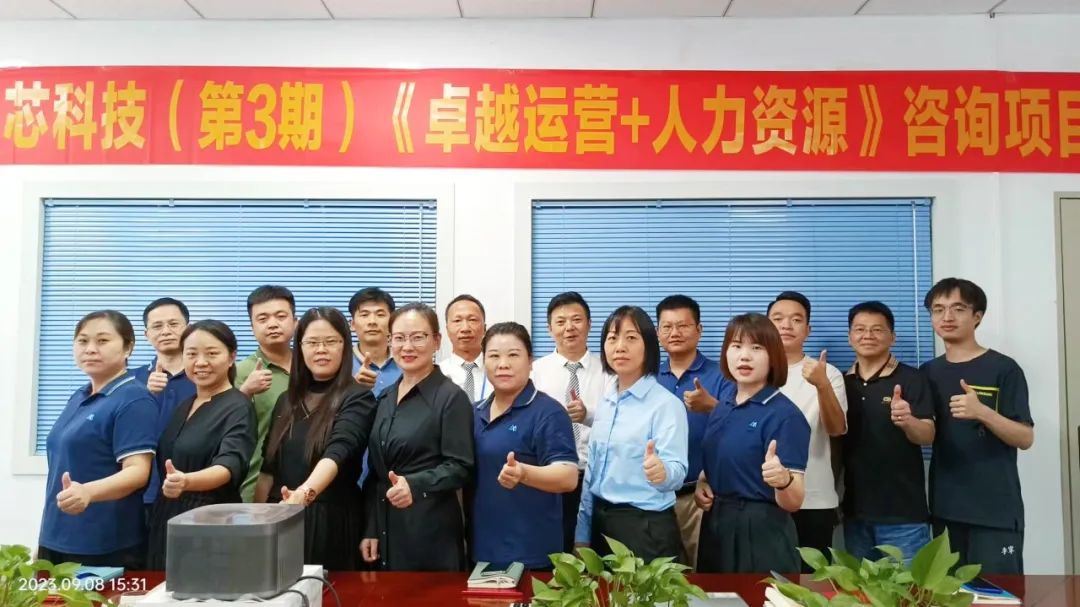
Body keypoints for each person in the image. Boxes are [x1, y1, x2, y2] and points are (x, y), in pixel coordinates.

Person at [921, 278, 1034, 574]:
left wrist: (982, 412)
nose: (947, 316)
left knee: (998, 594)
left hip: (995, 512)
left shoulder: (1004, 368)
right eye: (938, 309)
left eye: (958, 309)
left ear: (977, 316)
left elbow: (1025, 437)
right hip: (945, 511)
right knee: (949, 594)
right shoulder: (928, 372)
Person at [257, 307, 378, 571]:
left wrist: (304, 494)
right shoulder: (286, 400)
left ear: (345, 346)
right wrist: (257, 519)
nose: (321, 350)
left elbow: (338, 452)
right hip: (281, 515)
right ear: (300, 348)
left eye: (330, 341)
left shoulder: (358, 396)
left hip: (330, 519)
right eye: (312, 342)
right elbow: (268, 468)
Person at [37, 310, 158, 569]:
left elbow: (137, 472)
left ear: (128, 347)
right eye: (83, 341)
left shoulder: (134, 399)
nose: (90, 349)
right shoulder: (79, 396)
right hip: (58, 535)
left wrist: (88, 492)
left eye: (102, 341)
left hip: (103, 544)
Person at [361, 303, 475, 571]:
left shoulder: (451, 398)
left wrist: (414, 484)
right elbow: (376, 473)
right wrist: (371, 527)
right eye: (399, 338)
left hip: (430, 531)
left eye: (418, 337)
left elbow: (461, 467)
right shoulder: (385, 397)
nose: (407, 346)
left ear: (436, 341)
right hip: (386, 529)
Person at [694, 313, 811, 573]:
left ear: (773, 356)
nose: (744, 356)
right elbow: (721, 459)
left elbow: (794, 501)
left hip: (761, 532)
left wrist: (783, 480)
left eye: (756, 348)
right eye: (736, 346)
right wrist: (703, 482)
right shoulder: (722, 407)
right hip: (716, 525)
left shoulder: (785, 415)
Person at [575, 306, 688, 562]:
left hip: (644, 529)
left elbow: (677, 472)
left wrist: (662, 472)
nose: (620, 347)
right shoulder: (606, 402)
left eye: (631, 338)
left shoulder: (666, 405)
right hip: (601, 524)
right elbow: (592, 473)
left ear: (649, 345)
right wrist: (582, 533)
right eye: (612, 338)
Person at [146, 320, 257, 570]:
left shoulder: (238, 406)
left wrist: (186, 481)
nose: (201, 362)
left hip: (210, 522)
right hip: (168, 515)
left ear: (231, 357)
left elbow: (228, 466)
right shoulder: (186, 404)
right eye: (192, 354)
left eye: (212, 353)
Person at [470, 322, 578, 570]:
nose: (503, 364)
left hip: (532, 554)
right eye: (494, 356)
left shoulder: (548, 412)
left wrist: (524, 473)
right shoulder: (474, 412)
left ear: (530, 361)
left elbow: (568, 476)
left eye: (513, 355)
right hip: (482, 551)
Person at [843, 301, 935, 563]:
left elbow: (928, 435)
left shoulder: (912, 378)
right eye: (860, 329)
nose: (868, 335)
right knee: (860, 589)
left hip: (903, 516)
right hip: (855, 514)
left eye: (877, 329)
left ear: (892, 337)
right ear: (850, 337)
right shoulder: (841, 382)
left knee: (909, 589)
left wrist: (908, 421)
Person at [767, 291, 847, 564]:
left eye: (796, 319)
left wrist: (822, 385)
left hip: (813, 500)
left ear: (808, 329)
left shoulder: (828, 373)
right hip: (762, 499)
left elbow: (836, 429)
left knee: (811, 583)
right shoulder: (753, 371)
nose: (786, 325)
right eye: (778, 319)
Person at [532, 291, 612, 552]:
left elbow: (619, 419)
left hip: (597, 477)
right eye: (560, 321)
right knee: (555, 551)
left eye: (576, 320)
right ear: (549, 328)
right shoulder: (535, 371)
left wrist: (588, 414)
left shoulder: (609, 369)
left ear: (589, 324)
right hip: (551, 476)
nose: (569, 327)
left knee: (597, 554)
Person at [655, 294, 728, 569]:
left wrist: (712, 406)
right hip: (655, 498)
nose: (674, 333)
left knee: (702, 576)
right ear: (658, 333)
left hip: (700, 496)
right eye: (667, 326)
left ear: (699, 330)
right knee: (660, 576)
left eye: (683, 325)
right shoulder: (648, 377)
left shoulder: (721, 375)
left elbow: (739, 426)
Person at [132, 297, 197, 517]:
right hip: (142, 493)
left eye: (173, 324)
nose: (166, 331)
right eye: (157, 326)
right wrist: (146, 394)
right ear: (146, 334)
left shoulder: (205, 376)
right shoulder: (133, 380)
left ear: (188, 328)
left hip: (193, 490)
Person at [235, 285, 296, 502]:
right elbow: (223, 427)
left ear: (295, 322)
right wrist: (244, 392)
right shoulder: (240, 371)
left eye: (281, 316)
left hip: (309, 485)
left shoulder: (312, 367)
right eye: (262, 319)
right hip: (256, 484)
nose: (272, 324)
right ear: (252, 327)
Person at [348, 287, 402, 398]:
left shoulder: (406, 361)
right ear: (352, 324)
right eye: (364, 315)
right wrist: (354, 388)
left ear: (392, 322)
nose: (372, 321)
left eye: (380, 314)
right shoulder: (342, 363)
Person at [441, 294, 489, 402]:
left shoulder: (498, 371)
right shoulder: (437, 375)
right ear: (447, 330)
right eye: (457, 321)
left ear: (484, 328)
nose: (465, 328)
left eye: (472, 320)